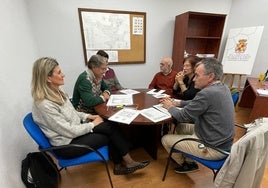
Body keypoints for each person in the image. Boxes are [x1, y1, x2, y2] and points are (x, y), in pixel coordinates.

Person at [31, 57, 150, 175]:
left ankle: (123, 163)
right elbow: (68, 131)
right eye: (59, 72)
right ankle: (126, 162)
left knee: (110, 125)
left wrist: (88, 116)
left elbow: (72, 113)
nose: (63, 75)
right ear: (48, 78)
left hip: (76, 129)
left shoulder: (58, 92)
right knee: (109, 134)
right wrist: (92, 124)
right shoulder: (44, 105)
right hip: (67, 144)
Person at [160, 58, 235, 174]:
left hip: (213, 148)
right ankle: (188, 158)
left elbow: (182, 116)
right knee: (181, 127)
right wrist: (178, 103)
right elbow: (197, 103)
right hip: (218, 139)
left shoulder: (207, 93)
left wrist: (169, 106)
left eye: (197, 75)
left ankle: (186, 164)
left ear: (210, 76)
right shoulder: (222, 87)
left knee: (165, 139)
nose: (194, 79)